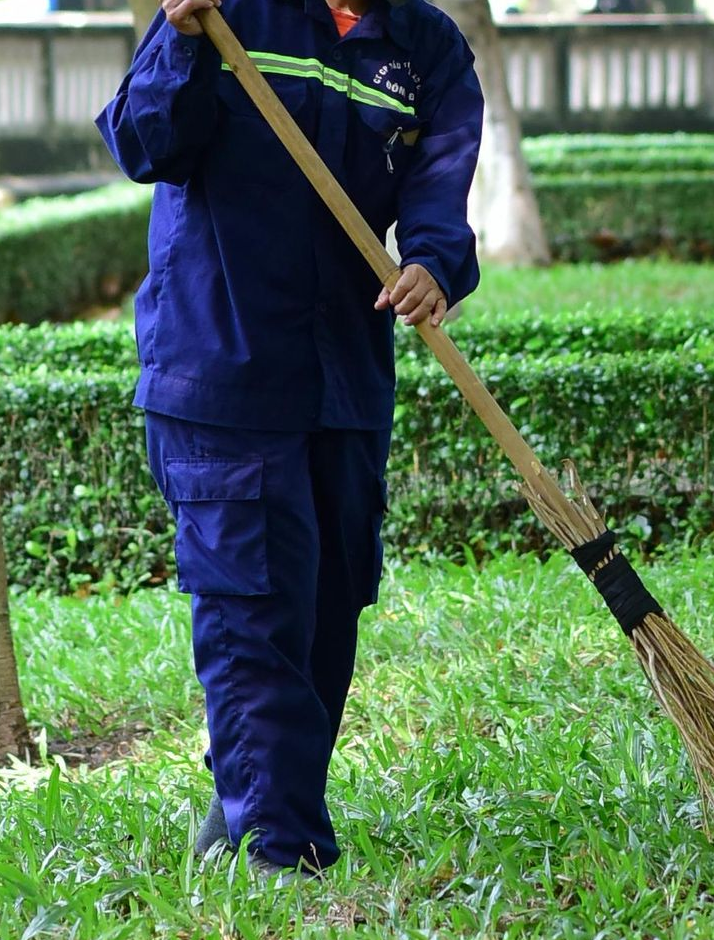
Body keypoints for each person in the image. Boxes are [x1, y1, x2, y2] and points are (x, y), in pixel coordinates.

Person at [98, 0, 484, 876]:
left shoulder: (423, 46)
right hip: (222, 361)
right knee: (255, 608)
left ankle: (245, 804)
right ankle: (284, 853)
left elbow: (439, 182)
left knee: (325, 609)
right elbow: (144, 143)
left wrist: (430, 261)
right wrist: (185, 39)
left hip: (343, 372)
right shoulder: (228, 12)